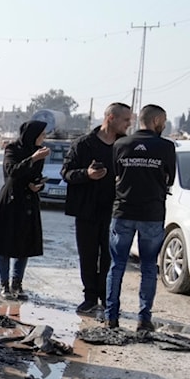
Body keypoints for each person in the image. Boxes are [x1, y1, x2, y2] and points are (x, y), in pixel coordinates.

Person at [105, 104, 176, 331]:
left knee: (117, 266)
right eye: (163, 121)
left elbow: (117, 175)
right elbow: (170, 179)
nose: (164, 125)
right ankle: (144, 319)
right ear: (156, 121)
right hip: (152, 215)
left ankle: (111, 317)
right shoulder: (166, 146)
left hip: (123, 212)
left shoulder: (120, 144)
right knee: (147, 267)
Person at [61, 102, 132, 315]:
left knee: (110, 257)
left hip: (115, 211)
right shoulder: (83, 145)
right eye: (126, 120)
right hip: (86, 210)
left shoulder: (126, 145)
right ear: (111, 118)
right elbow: (66, 173)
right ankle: (89, 297)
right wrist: (86, 174)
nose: (129, 124)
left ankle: (106, 296)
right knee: (88, 256)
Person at [0, 118, 51, 300]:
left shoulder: (38, 152)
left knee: (25, 245)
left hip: (29, 201)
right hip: (11, 201)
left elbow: (35, 176)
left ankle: (17, 283)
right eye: (42, 134)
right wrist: (32, 159)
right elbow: (12, 171)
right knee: (4, 245)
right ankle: (4, 284)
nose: (44, 138)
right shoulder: (12, 149)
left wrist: (38, 185)